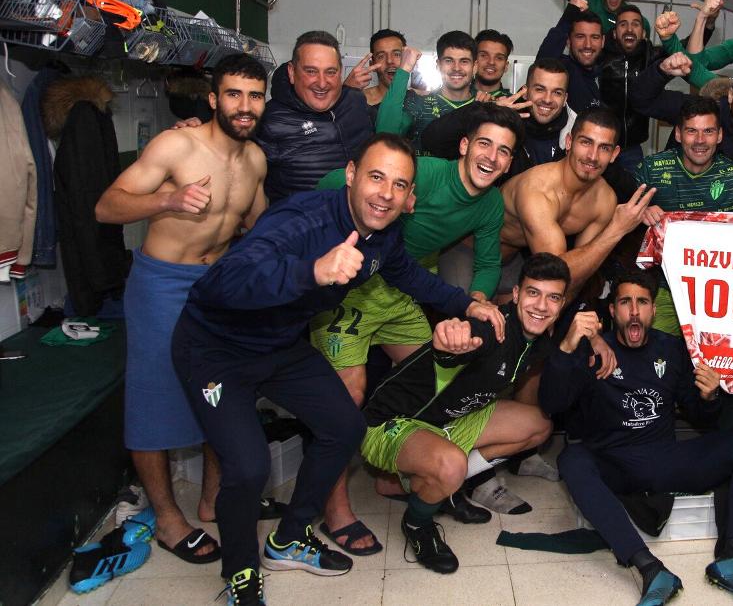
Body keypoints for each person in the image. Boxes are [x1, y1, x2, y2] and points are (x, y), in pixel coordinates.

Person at [170, 133, 504, 603]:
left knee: (345, 427)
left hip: (281, 346)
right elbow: (227, 279)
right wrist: (313, 271)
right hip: (215, 350)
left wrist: (466, 304)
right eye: (375, 177)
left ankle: (288, 539)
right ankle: (241, 575)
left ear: (410, 197)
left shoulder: (382, 233)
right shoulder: (302, 219)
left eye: (399, 185)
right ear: (350, 175)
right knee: (248, 467)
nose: (385, 193)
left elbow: (405, 273)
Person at [310, 102, 523, 553]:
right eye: (485, 143)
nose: (492, 157)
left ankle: (401, 477)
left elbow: (487, 263)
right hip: (350, 288)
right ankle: (335, 511)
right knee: (345, 396)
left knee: (440, 380)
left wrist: (477, 302)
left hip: (403, 288)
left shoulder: (489, 205)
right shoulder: (423, 171)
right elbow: (336, 183)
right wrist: (326, 221)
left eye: (504, 151)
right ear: (464, 146)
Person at [95, 54, 270, 566]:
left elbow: (259, 227)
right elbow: (107, 206)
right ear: (213, 98)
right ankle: (169, 519)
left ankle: (214, 499)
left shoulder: (255, 160)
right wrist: (165, 203)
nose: (244, 105)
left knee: (221, 392)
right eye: (234, 94)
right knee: (152, 400)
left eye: (255, 95)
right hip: (162, 284)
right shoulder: (176, 144)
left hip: (217, 287)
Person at [540, 271, 733, 606]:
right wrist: (566, 347)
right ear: (612, 310)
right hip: (615, 463)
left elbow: (699, 416)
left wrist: (710, 398)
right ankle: (649, 567)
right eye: (625, 302)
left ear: (653, 310)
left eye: (642, 302)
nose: (634, 311)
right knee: (571, 460)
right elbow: (551, 404)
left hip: (667, 459)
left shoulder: (672, 348)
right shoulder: (591, 349)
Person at [362, 253, 572, 573]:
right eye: (533, 292)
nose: (541, 306)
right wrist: (449, 339)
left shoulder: (539, 338)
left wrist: (596, 340)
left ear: (562, 303)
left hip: (450, 420)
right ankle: (418, 523)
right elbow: (457, 341)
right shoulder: (489, 329)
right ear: (515, 294)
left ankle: (442, 487)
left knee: (538, 426)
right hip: (390, 424)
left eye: (553, 297)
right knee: (450, 465)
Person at [499, 107, 655, 297]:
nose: (592, 156)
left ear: (614, 154)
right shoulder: (537, 190)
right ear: (569, 142)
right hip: (474, 253)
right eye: (586, 142)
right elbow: (555, 276)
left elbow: (580, 271)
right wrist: (616, 229)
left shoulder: (604, 200)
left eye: (604, 148)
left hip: (524, 261)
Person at [634, 96, 733, 336]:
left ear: (720, 135)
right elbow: (619, 218)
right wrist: (640, 212)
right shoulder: (652, 169)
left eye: (708, 131)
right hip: (663, 289)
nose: (700, 141)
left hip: (716, 293)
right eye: (692, 131)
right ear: (678, 134)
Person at [631, 49, 733, 190]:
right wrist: (661, 71)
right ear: (731, 95)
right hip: (673, 205)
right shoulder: (699, 111)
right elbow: (640, 100)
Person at [257, 30, 374, 202]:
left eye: (330, 72)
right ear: (291, 72)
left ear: (340, 72)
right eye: (311, 71)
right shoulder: (269, 119)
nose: (321, 82)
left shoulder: (355, 101)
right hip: (302, 225)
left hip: (358, 223)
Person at [376, 30, 478, 154]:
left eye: (464, 61)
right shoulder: (418, 102)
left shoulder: (484, 106)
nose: (456, 68)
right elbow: (384, 136)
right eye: (449, 61)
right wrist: (404, 70)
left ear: (475, 67)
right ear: (438, 65)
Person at [599, 3, 666, 173]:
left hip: (632, 149)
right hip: (601, 144)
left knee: (635, 195)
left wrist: (707, 23)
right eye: (623, 24)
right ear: (614, 33)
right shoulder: (600, 57)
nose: (629, 29)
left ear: (643, 33)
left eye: (635, 24)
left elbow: (685, 50)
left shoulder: (651, 56)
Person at [537, 0, 606, 114]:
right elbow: (543, 62)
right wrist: (570, 12)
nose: (588, 45)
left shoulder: (608, 73)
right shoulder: (565, 69)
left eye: (594, 37)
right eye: (580, 37)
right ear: (568, 41)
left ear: (603, 41)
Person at [361, 29, 426, 123]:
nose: (390, 61)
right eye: (381, 56)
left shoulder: (418, 100)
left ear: (407, 59)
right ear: (372, 65)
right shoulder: (359, 101)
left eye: (397, 54)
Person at [473, 29, 513, 98]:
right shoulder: (456, 97)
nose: (491, 62)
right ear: (474, 60)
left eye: (499, 58)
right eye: (484, 55)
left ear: (506, 66)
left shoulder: (514, 104)